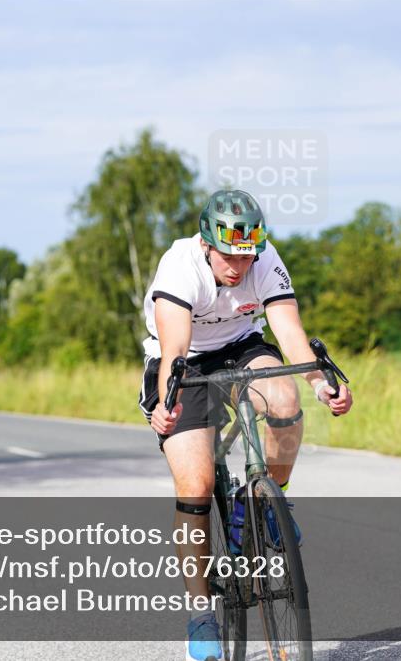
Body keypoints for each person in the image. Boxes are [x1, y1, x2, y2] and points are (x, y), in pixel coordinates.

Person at [138, 189, 354, 661]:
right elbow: (175, 345)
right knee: (195, 483)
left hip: (241, 345)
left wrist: (321, 385)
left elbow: (289, 332)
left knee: (283, 396)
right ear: (206, 243)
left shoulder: (264, 258)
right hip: (184, 362)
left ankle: (256, 503)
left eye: (247, 255)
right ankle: (199, 611)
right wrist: (168, 402)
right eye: (229, 256)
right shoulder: (179, 265)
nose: (239, 267)